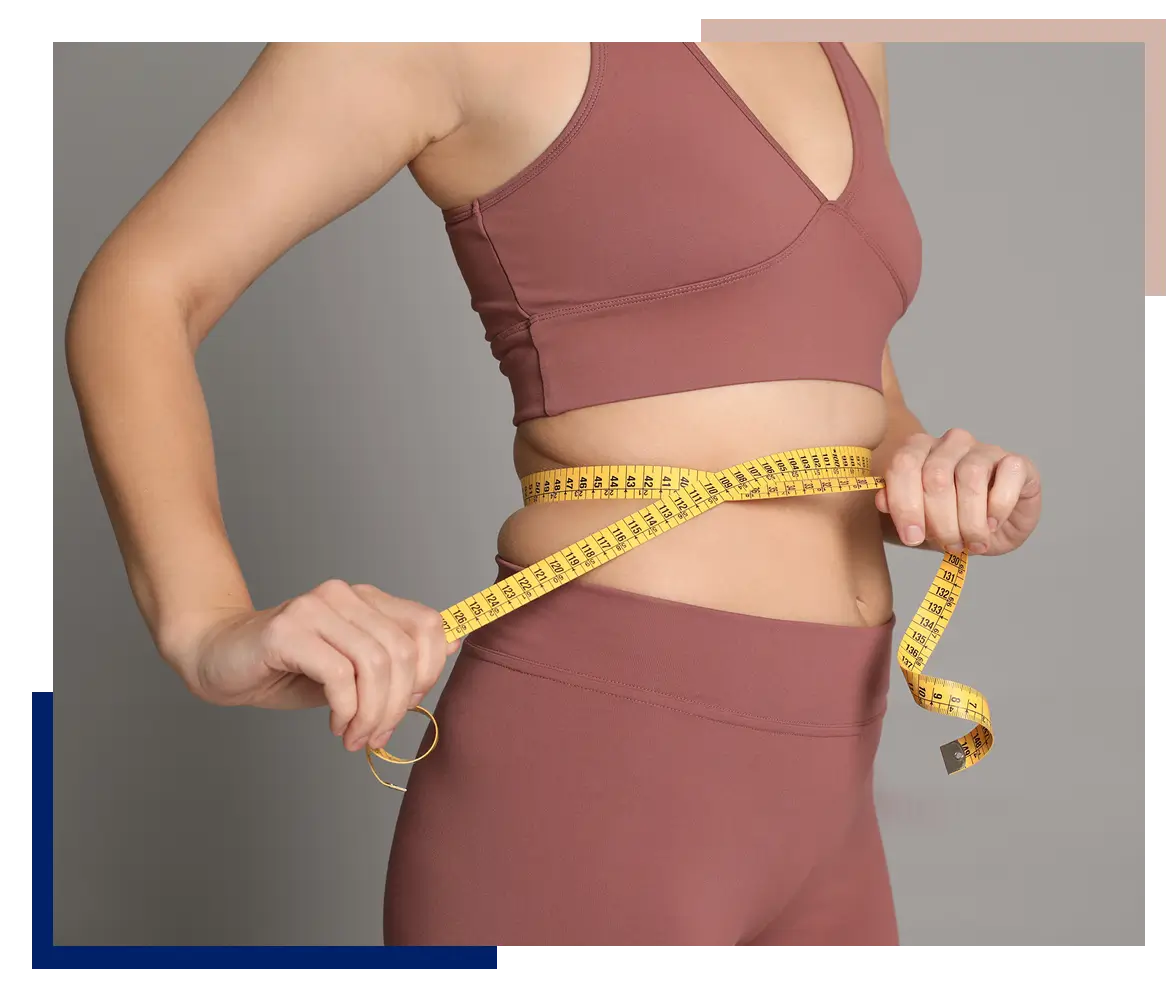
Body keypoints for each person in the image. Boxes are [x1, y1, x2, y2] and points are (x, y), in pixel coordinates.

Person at [65, 40, 1042, 949]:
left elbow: (851, 387)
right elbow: (142, 287)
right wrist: (205, 622)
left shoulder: (843, 39)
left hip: (834, 788)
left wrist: (939, 473)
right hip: (595, 774)